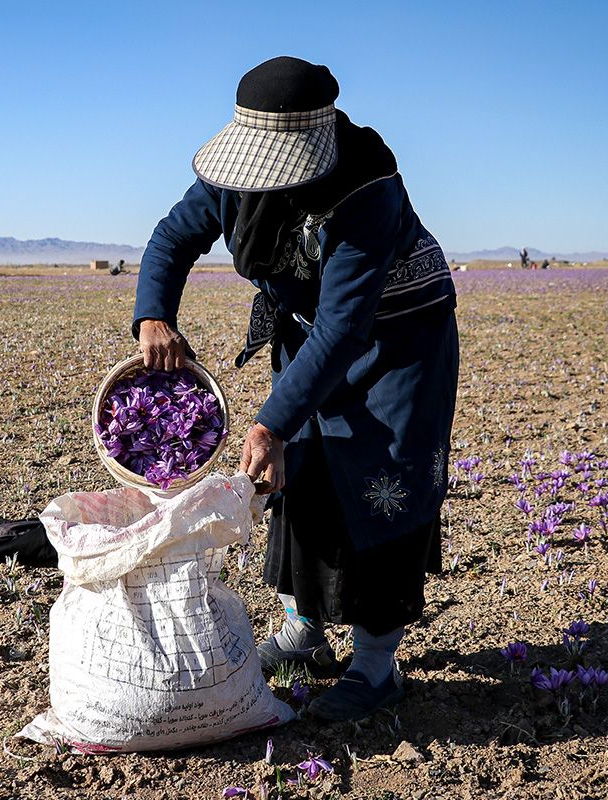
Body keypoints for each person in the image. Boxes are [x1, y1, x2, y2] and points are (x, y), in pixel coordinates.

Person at [133, 56, 458, 722]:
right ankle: (304, 633)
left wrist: (269, 422)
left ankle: (376, 666)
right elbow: (173, 237)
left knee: (379, 481)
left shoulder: (368, 190)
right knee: (299, 476)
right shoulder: (232, 178)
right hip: (313, 333)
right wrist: (153, 316)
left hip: (399, 345)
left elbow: (345, 327)